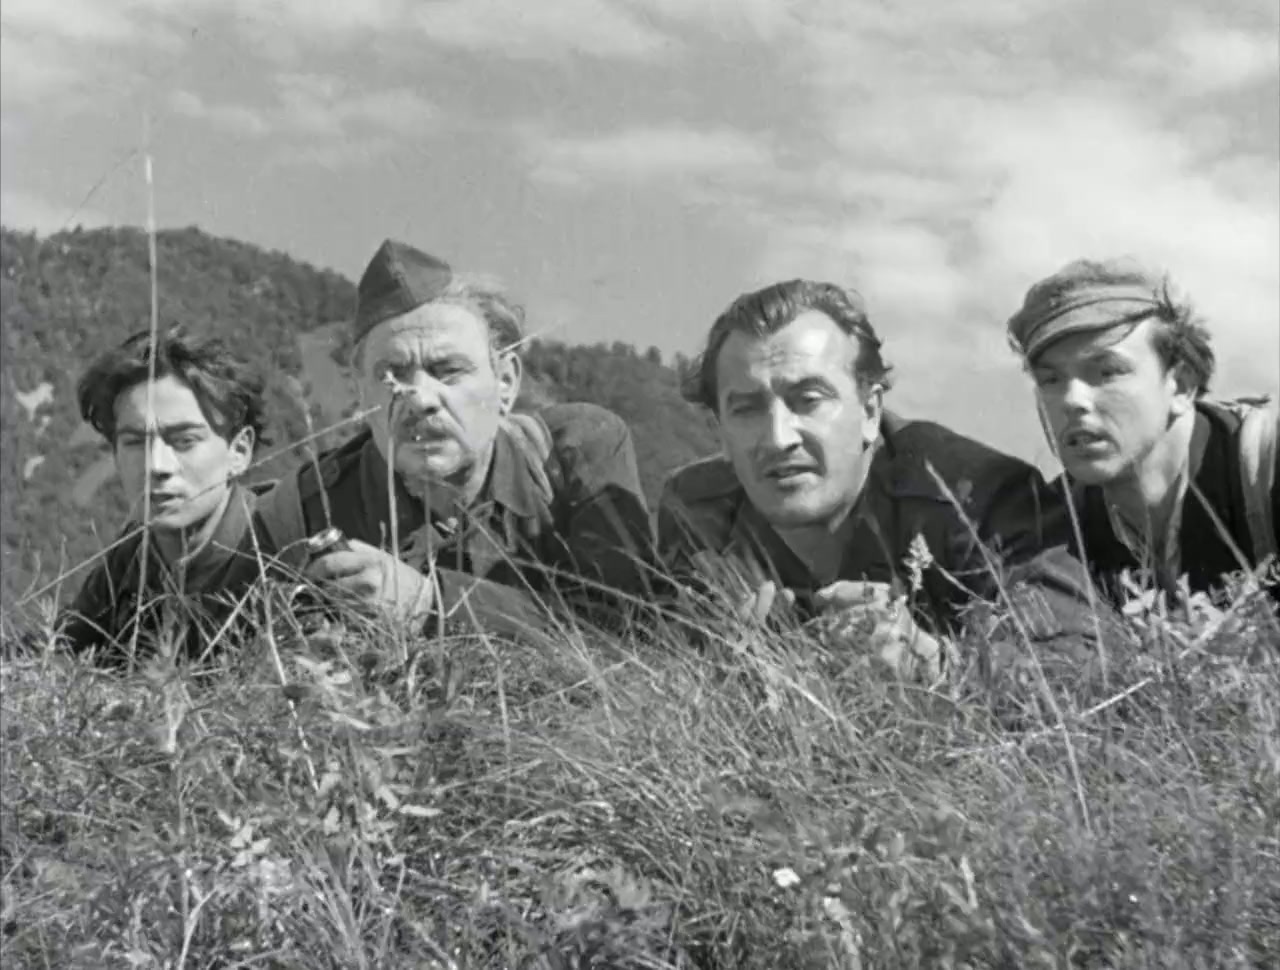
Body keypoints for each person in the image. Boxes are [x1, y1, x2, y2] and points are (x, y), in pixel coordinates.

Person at [658, 279, 1105, 680]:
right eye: (746, 409)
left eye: (808, 400)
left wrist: (934, 664)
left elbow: (1077, 661)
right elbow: (658, 662)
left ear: (870, 410)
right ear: (719, 430)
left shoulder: (975, 495)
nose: (778, 438)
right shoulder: (697, 513)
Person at [253, 239, 657, 639]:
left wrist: (431, 605)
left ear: (505, 382)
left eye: (447, 370)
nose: (420, 400)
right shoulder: (304, 508)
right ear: (361, 392)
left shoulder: (574, 454)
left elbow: (629, 628)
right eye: (391, 373)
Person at [1006, 257, 1278, 607]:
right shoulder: (1056, 523)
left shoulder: (1264, 469)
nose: (1072, 400)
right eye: (1050, 379)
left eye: (1108, 371)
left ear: (1181, 385)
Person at [57, 326, 274, 663]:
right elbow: (56, 653)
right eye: (134, 442)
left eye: (185, 441)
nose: (156, 465)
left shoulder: (279, 552)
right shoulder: (132, 558)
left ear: (239, 451)